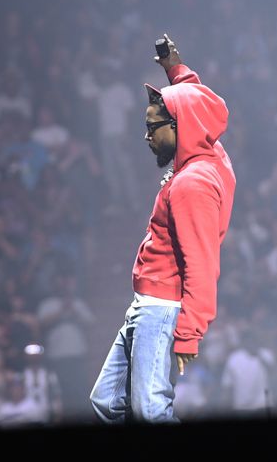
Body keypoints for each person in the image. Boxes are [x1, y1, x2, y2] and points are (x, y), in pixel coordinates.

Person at [90, 33, 236, 423]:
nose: (147, 136)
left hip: (161, 307)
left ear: (179, 126)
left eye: (154, 127)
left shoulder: (192, 185)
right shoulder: (208, 150)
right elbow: (197, 103)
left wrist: (189, 332)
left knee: (151, 411)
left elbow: (202, 263)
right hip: (147, 303)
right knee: (107, 402)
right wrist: (176, 69)